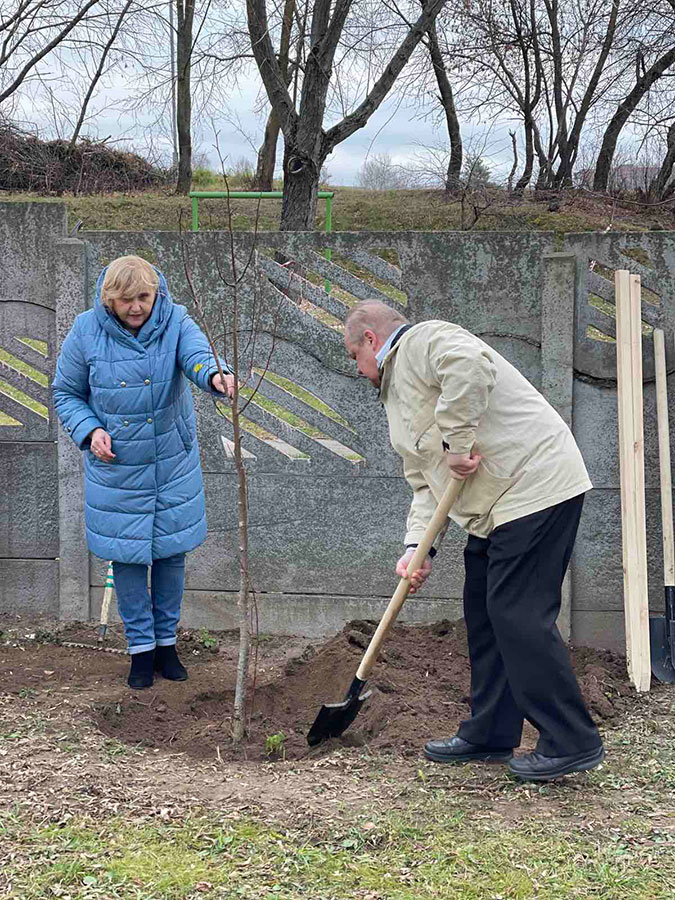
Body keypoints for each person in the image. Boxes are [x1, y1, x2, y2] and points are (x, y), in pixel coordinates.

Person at [344, 299, 604, 782]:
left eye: (353, 357)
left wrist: (457, 443)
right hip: (493, 508)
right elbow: (427, 484)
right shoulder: (397, 399)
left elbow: (469, 367)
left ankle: (572, 739)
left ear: (371, 341)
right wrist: (415, 549)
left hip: (535, 487)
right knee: (484, 613)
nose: (357, 371)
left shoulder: (424, 341)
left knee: (517, 612)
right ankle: (490, 732)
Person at [53, 255, 235, 690]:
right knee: (129, 559)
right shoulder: (86, 331)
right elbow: (66, 392)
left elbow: (197, 356)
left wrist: (214, 375)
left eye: (144, 297)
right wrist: (90, 429)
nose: (136, 307)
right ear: (108, 300)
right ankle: (140, 650)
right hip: (117, 468)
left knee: (171, 554)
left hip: (171, 464)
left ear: (157, 294)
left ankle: (166, 644)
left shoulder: (175, 321)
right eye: (125, 300)